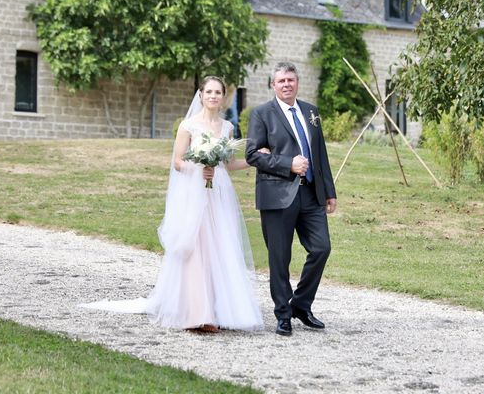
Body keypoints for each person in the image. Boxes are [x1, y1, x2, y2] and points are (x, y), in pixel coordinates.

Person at [81, 76, 263, 333]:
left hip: (218, 195)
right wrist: (200, 167)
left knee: (219, 249)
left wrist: (255, 161)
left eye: (217, 92)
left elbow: (228, 164)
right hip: (195, 194)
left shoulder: (227, 128)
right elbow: (178, 162)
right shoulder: (188, 126)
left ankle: (219, 310)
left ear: (223, 97)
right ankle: (197, 314)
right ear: (200, 95)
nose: (213, 96)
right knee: (196, 250)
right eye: (208, 91)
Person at [245, 61, 336, 336]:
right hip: (277, 195)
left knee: (321, 248)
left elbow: (319, 153)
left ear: (297, 82)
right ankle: (283, 314)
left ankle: (301, 304)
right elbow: (252, 155)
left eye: (291, 80)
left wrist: (329, 191)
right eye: (281, 81)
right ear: (273, 84)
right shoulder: (262, 114)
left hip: (311, 194)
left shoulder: (311, 112)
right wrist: (288, 164)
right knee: (279, 258)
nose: (287, 84)